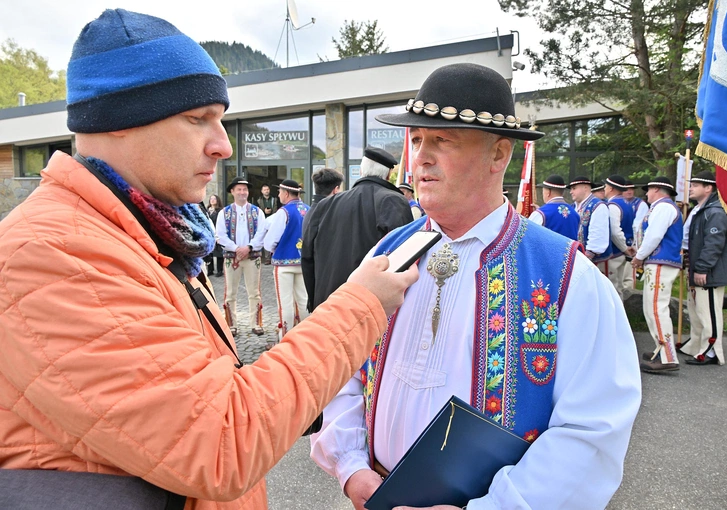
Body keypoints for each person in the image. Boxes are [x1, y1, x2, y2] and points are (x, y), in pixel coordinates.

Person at [0, 10, 420, 510]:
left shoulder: (143, 234)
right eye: (198, 119)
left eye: (220, 119)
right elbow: (222, 440)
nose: (222, 145)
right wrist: (362, 304)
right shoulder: (53, 254)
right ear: (118, 123)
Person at [310, 62, 641, 510]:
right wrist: (351, 467)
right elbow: (344, 368)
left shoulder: (568, 278)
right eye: (418, 139)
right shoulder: (387, 252)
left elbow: (591, 432)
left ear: (499, 155)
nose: (420, 156)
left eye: (442, 141)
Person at [302, 147, 414, 313]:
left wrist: (315, 301)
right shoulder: (393, 201)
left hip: (328, 305)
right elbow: (404, 259)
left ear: (361, 171)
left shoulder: (325, 205)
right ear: (388, 175)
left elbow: (307, 255)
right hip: (369, 308)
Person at [678, 170, 727, 365]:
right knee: (696, 310)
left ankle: (711, 350)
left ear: (708, 188)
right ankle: (697, 345)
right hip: (697, 269)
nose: (690, 188)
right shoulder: (700, 209)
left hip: (709, 272)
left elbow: (714, 243)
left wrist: (702, 268)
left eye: (695, 185)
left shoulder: (716, 211)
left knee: (709, 311)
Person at [631, 176, 683, 374]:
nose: (646, 193)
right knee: (652, 307)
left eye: (649, 189)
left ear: (657, 190)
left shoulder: (664, 208)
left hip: (661, 261)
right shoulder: (663, 207)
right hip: (659, 262)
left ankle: (668, 355)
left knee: (656, 308)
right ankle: (660, 349)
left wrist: (639, 256)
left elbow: (654, 235)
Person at [216, 178, 267, 336]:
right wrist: (237, 248)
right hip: (233, 258)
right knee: (230, 292)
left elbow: (262, 232)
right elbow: (220, 235)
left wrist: (249, 247)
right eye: (239, 189)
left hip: (252, 257)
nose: (242, 192)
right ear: (232, 192)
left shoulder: (257, 211)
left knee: (254, 292)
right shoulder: (224, 213)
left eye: (244, 189)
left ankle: (256, 324)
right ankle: (231, 325)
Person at [264, 179, 310, 343]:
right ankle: (305, 336)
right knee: (303, 300)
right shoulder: (308, 209)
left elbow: (271, 240)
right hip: (302, 262)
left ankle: (286, 338)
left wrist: (273, 249)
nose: (278, 195)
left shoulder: (284, 212)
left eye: (279, 192)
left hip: (284, 263)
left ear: (286, 193)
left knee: (286, 303)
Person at [601, 175, 636, 300]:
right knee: (618, 287)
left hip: (615, 252)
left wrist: (624, 248)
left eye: (605, 186)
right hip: (623, 250)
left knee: (611, 289)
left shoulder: (612, 205)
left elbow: (615, 232)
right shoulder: (628, 203)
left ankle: (613, 318)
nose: (604, 189)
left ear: (610, 188)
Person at [569, 176, 612, 263]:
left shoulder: (598, 206)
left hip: (593, 261)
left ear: (585, 188)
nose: (571, 192)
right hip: (578, 258)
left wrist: (588, 255)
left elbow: (598, 234)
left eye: (574, 188)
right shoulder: (572, 207)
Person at [528, 174, 579, 240]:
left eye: (543, 191)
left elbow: (528, 237)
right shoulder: (575, 213)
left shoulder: (540, 214)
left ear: (548, 192)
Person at [257, 184, 279, 264]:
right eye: (265, 190)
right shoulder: (258, 200)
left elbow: (278, 209)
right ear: (262, 191)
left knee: (274, 238)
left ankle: (274, 255)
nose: (266, 191)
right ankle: (267, 258)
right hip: (263, 222)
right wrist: (264, 211)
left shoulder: (275, 199)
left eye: (267, 189)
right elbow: (257, 211)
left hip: (274, 221)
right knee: (265, 239)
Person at [206, 194, 224, 276]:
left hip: (218, 233)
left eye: (214, 199)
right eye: (211, 198)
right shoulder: (207, 210)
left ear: (217, 200)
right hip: (209, 233)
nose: (212, 200)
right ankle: (210, 270)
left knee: (219, 252)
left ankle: (219, 270)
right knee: (210, 252)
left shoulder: (220, 211)